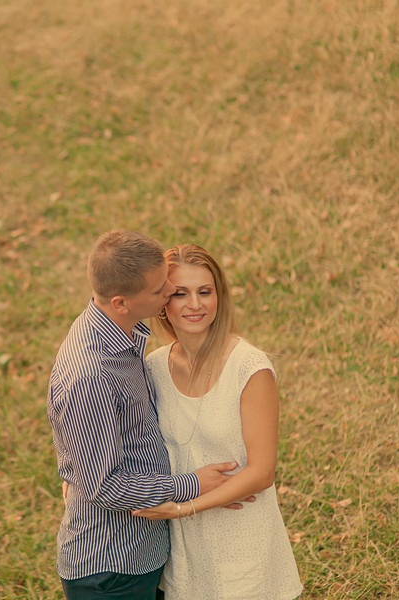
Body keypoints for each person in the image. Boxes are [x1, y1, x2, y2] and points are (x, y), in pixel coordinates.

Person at [47, 230, 239, 600]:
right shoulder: (93, 373)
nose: (170, 292)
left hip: (142, 553)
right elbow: (105, 486)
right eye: (159, 291)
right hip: (112, 569)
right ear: (121, 302)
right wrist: (193, 484)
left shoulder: (118, 332)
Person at [133, 243, 303, 599]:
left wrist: (184, 507)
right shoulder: (153, 367)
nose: (195, 304)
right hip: (184, 555)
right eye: (181, 293)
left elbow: (262, 472)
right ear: (163, 301)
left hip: (243, 546)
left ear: (219, 296)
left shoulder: (249, 368)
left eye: (204, 291)